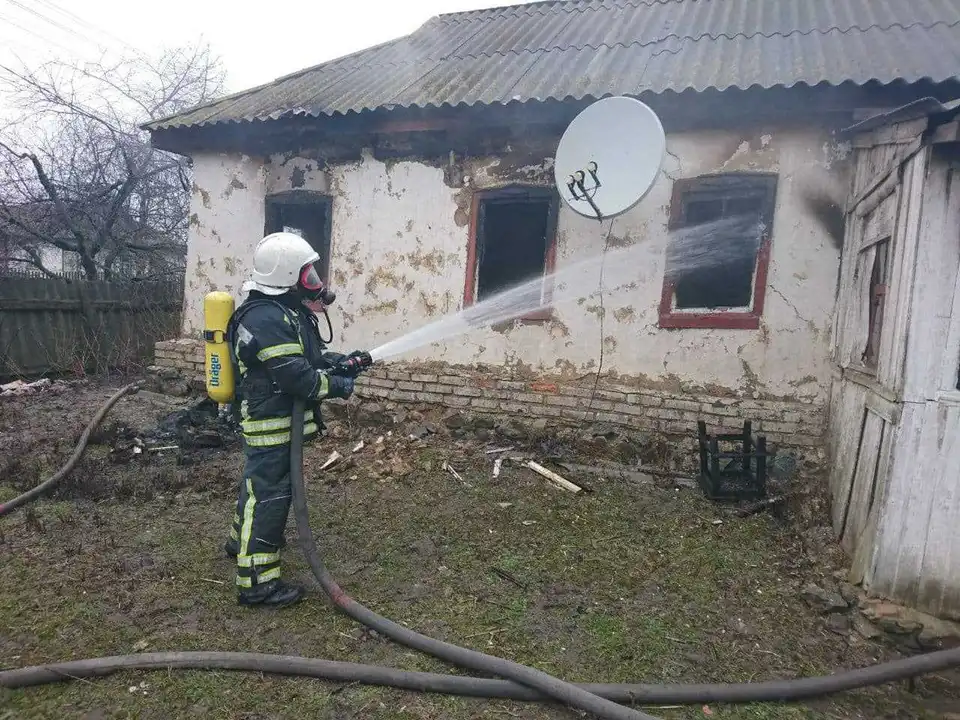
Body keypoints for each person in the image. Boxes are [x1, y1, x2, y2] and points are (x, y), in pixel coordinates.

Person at [221, 231, 364, 607]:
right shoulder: (266, 318)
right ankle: (257, 584)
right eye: (308, 275)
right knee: (269, 497)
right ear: (287, 276)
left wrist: (343, 361)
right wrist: (337, 385)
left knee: (257, 489)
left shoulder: (283, 310)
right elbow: (296, 377)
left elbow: (305, 360)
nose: (315, 282)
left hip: (277, 420)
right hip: (270, 424)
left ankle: (240, 542)